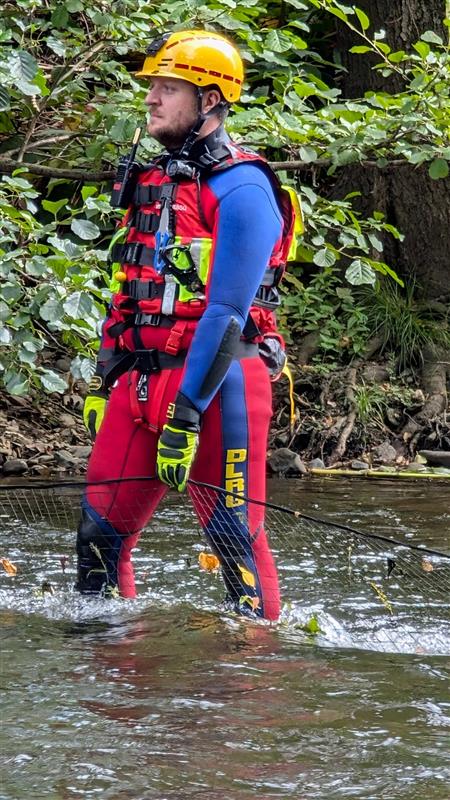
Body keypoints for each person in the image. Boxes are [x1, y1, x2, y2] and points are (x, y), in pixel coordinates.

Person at [77, 30, 295, 620]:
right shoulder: (154, 180)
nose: (151, 98)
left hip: (219, 387)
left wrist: (188, 413)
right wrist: (105, 378)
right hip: (141, 381)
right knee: (98, 539)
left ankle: (247, 680)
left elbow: (226, 312)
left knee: (234, 543)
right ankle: (114, 695)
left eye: (168, 88)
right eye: (152, 86)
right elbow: (128, 285)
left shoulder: (244, 187)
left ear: (211, 101)